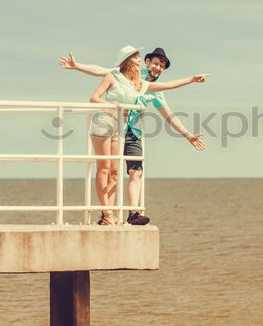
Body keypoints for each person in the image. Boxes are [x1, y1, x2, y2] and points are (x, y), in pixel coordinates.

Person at [61, 46, 207, 225]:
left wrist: (187, 134)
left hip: (130, 129)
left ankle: (129, 213)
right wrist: (77, 66)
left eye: (162, 66)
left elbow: (168, 109)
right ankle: (106, 213)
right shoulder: (121, 74)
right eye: (155, 63)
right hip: (109, 123)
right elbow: (100, 71)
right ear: (145, 62)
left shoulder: (147, 86)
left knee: (124, 172)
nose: (158, 68)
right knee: (105, 168)